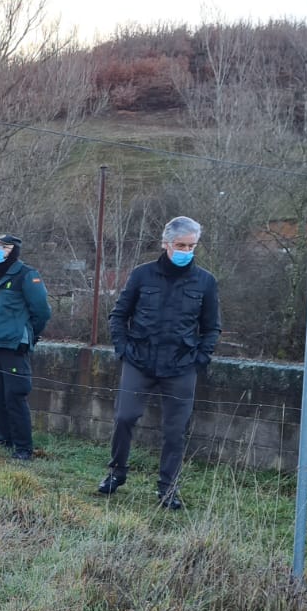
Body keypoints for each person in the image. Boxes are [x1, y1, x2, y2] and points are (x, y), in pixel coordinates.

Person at [98, 216, 221, 510]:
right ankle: (116, 472)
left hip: (181, 366)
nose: (186, 251)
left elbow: (212, 327)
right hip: (139, 361)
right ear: (166, 243)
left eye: (191, 246)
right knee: (124, 417)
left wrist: (199, 359)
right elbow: (118, 315)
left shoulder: (205, 282)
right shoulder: (142, 275)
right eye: (180, 245)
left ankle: (168, 489)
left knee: (175, 431)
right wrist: (124, 349)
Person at [0, 233, 52, 460]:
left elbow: (42, 311)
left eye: (3, 247)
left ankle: (23, 448)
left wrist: (29, 336)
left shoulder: (27, 276)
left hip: (13, 346)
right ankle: (4, 439)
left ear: (14, 251)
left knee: (14, 396)